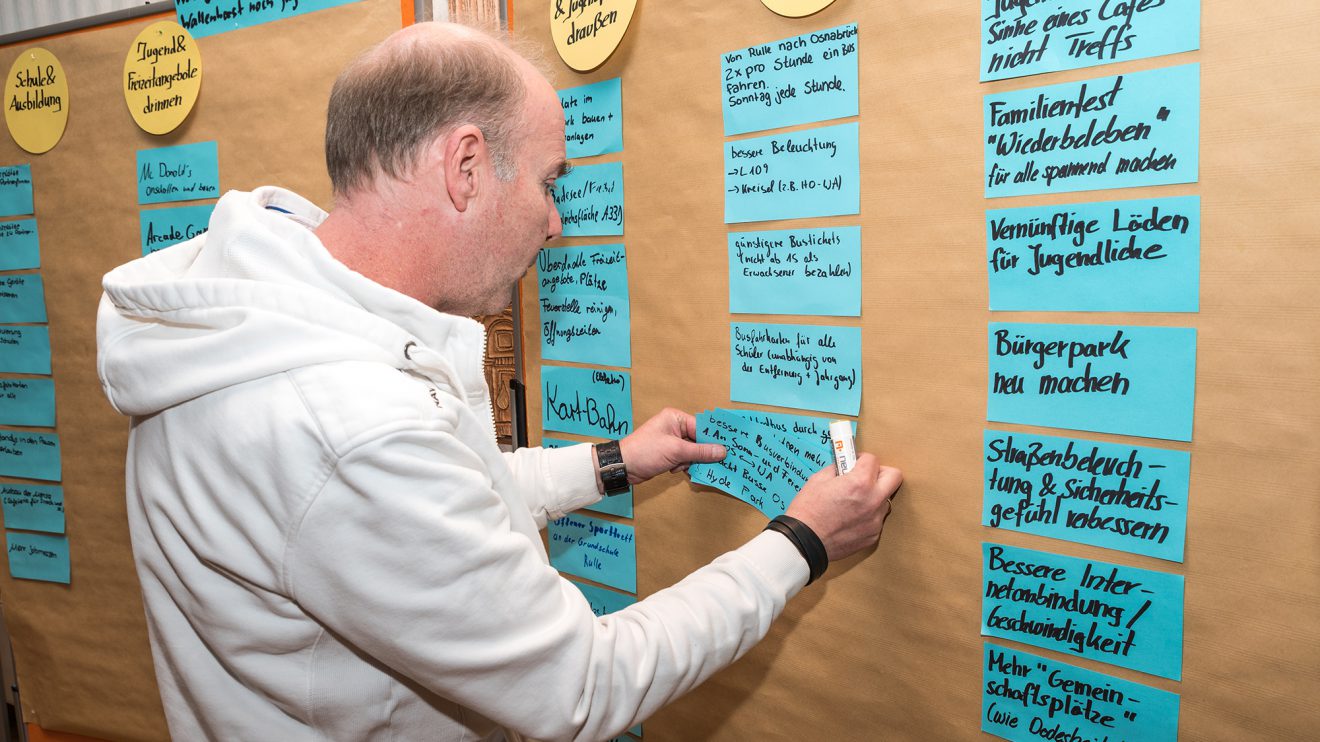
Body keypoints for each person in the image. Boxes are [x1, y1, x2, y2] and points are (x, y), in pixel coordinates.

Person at [96, 21, 901, 742]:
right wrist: (802, 541)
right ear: (467, 167)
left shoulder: (258, 318)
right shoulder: (346, 421)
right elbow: (584, 684)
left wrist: (612, 460)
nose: (556, 222)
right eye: (551, 183)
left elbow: (440, 497)